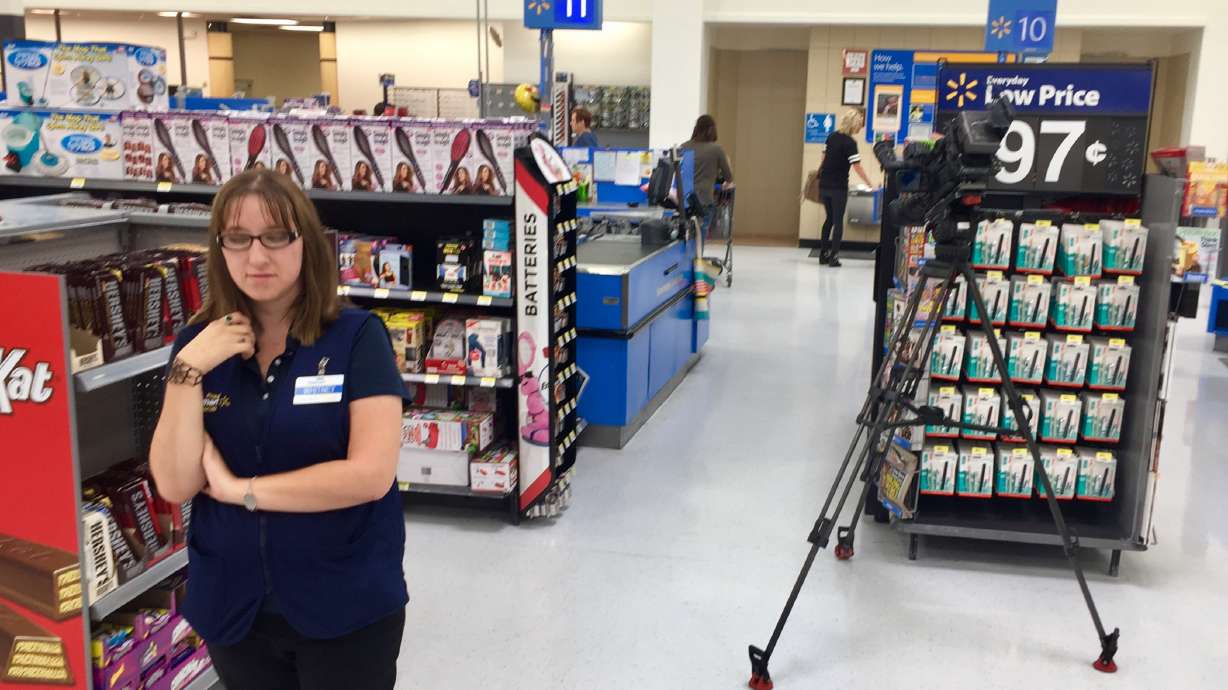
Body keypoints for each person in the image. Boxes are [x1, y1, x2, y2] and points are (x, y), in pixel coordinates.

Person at [148, 169, 408, 690]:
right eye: (238, 239)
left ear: (305, 243)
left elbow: (369, 476)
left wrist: (241, 492)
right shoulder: (198, 346)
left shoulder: (358, 338)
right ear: (220, 248)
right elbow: (175, 484)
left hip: (344, 605)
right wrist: (186, 373)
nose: (257, 256)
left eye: (275, 236)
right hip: (233, 609)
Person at [816, 108, 873, 268]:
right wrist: (869, 183)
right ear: (854, 124)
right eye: (860, 124)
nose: (860, 128)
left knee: (829, 219)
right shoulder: (850, 143)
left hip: (824, 185)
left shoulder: (831, 137)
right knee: (838, 221)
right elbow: (857, 167)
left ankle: (823, 254)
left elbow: (823, 158)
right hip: (838, 187)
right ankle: (834, 257)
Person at [680, 114, 734, 238]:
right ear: (711, 130)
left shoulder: (684, 147)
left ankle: (689, 257)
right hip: (704, 200)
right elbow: (729, 177)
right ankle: (698, 256)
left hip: (684, 201)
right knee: (700, 237)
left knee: (686, 237)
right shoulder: (716, 149)